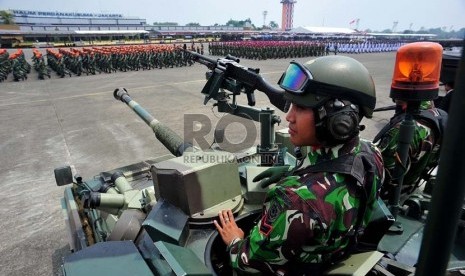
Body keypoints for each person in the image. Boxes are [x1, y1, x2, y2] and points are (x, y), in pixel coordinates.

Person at [214, 56, 385, 275]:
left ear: (338, 120)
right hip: (336, 250)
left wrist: (234, 241)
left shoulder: (297, 200)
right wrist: (296, 171)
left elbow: (248, 263)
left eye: (301, 108)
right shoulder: (371, 153)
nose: (288, 117)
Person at [374, 99, 447, 199]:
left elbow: (382, 173)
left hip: (388, 197)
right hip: (409, 188)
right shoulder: (436, 116)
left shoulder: (404, 129)